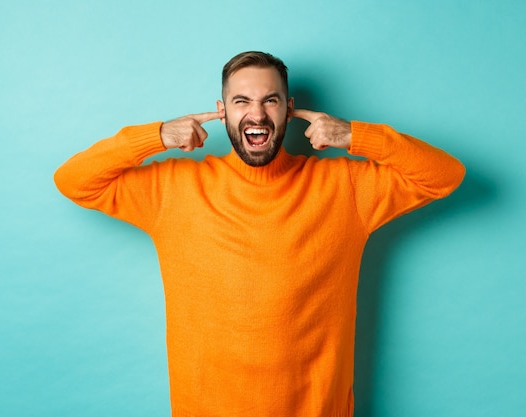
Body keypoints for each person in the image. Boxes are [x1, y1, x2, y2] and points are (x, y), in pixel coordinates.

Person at [54, 51, 465, 417]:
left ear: (288, 109)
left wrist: (354, 136)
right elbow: (74, 180)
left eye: (269, 100)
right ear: (222, 112)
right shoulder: (173, 190)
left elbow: (445, 175)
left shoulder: (347, 187)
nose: (257, 114)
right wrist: (157, 135)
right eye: (241, 101)